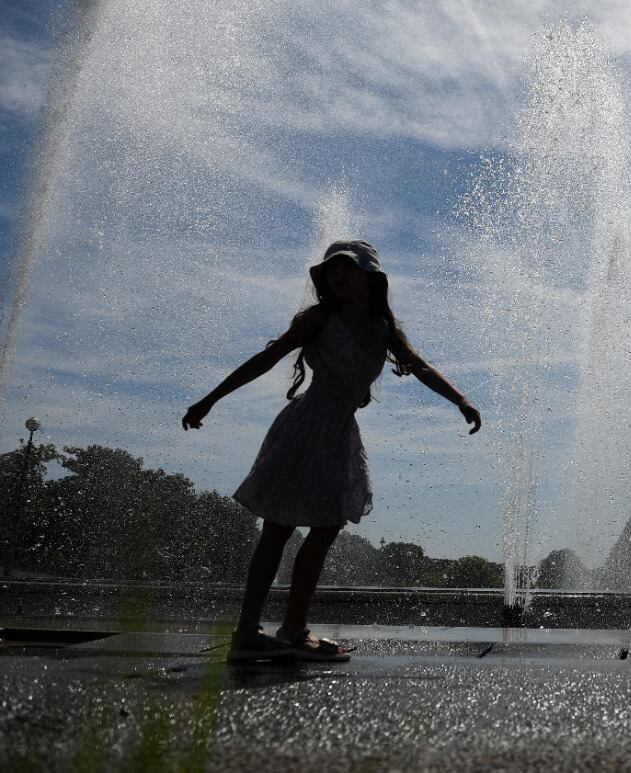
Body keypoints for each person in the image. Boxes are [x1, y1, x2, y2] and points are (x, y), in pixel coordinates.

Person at [181, 239, 481, 662]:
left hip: (340, 435)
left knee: (325, 529)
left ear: (370, 278)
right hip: (305, 428)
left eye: (349, 267)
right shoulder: (319, 319)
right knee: (278, 528)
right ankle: (248, 631)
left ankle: (292, 629)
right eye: (332, 268)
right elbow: (267, 358)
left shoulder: (382, 330)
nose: (339, 274)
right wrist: (210, 400)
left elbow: (421, 367)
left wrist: (461, 400)